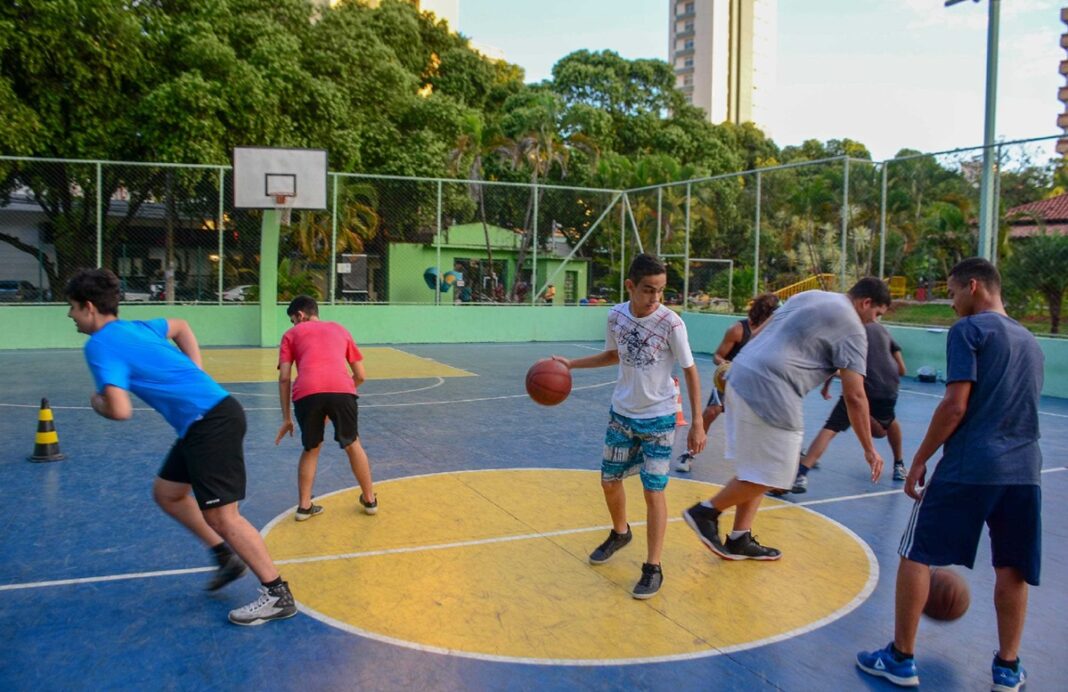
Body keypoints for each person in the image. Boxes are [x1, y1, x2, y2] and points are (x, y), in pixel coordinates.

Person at [65, 268, 296, 626]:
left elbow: (120, 410)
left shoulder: (99, 345)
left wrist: (97, 402)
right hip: (204, 421)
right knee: (168, 493)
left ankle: (277, 594)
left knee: (223, 516)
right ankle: (224, 557)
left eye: (73, 308)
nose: (70, 316)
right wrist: (196, 369)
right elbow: (182, 326)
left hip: (211, 423)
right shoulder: (138, 327)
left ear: (89, 308)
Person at [857, 258, 1043, 690]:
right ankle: (1008, 669)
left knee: (916, 553)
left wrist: (920, 457)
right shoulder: (1030, 341)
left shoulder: (969, 331)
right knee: (1013, 567)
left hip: (970, 465)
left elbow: (956, 404)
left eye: (954, 291)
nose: (952, 301)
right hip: (1025, 471)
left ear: (974, 286)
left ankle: (901, 659)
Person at [682, 278, 890, 560]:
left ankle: (739, 538)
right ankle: (706, 512)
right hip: (774, 389)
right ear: (866, 302)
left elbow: (759, 335)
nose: (873, 322)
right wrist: (869, 448)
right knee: (779, 473)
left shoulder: (811, 295)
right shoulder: (854, 330)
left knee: (756, 469)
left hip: (739, 374)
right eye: (876, 314)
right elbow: (855, 396)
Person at [553, 253, 706, 599]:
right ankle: (621, 532)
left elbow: (690, 370)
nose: (655, 299)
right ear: (630, 286)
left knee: (654, 490)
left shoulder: (672, 324)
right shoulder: (615, 316)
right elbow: (613, 355)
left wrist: (697, 422)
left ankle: (653, 566)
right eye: (648, 290)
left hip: (660, 418)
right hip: (622, 414)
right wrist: (572, 364)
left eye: (661, 291)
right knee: (609, 482)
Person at [776, 318, 908, 494]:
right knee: (890, 422)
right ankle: (899, 464)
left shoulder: (851, 330)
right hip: (889, 389)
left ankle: (801, 474)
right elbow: (901, 369)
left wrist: (827, 384)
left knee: (832, 427)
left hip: (864, 386)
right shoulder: (882, 331)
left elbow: (837, 363)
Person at [276, 295, 377, 519]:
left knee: (311, 448)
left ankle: (304, 507)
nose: (293, 325)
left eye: (293, 320)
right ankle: (370, 500)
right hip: (342, 390)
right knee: (353, 443)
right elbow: (360, 375)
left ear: (300, 315)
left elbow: (284, 378)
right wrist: (339, 393)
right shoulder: (340, 330)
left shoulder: (290, 335)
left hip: (306, 394)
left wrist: (286, 418)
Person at [675, 292, 779, 472]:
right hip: (729, 381)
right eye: (774, 312)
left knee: (765, 419)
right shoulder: (738, 329)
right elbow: (717, 356)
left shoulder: (773, 332)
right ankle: (688, 453)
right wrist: (726, 365)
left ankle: (778, 456)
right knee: (711, 412)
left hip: (753, 384)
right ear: (766, 312)